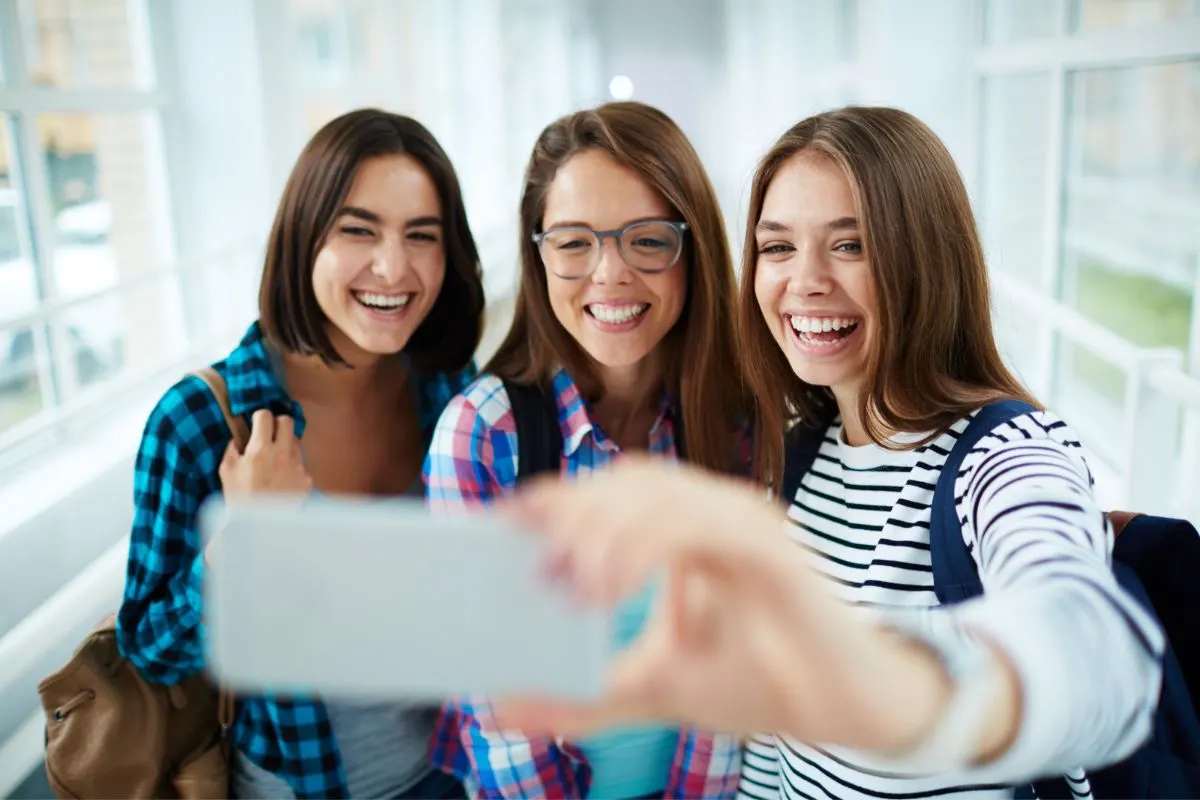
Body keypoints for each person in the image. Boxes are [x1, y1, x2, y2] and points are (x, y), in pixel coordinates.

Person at [489, 107, 1165, 799]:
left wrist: (887, 683)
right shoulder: (796, 459)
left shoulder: (1007, 456)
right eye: (778, 247)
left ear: (925, 257)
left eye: (851, 245)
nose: (805, 281)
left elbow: (1096, 655)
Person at [115, 108, 484, 799]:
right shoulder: (199, 420)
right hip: (302, 784)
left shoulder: (450, 393)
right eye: (358, 230)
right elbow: (150, 654)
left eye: (421, 236)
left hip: (452, 772)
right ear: (304, 237)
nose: (393, 267)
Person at [423, 101, 750, 798]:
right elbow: (500, 701)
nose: (610, 274)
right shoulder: (483, 437)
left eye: (648, 239)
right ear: (537, 254)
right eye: (574, 243)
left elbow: (726, 681)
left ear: (692, 249)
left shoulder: (737, 431)